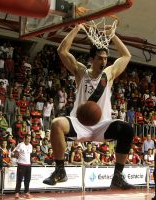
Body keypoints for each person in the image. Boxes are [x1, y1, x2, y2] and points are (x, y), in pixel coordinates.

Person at [42, 23, 134, 190]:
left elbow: (126, 56)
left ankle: (118, 176)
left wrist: (112, 35)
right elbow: (62, 51)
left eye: (105, 58)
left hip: (102, 125)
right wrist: (76, 28)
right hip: (80, 122)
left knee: (127, 129)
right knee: (56, 124)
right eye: (100, 58)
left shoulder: (109, 74)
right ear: (91, 59)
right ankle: (60, 170)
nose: (104, 61)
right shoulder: (81, 71)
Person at [13, 134, 33, 199]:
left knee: (27, 179)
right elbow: (15, 152)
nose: (29, 140)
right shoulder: (20, 145)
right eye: (28, 139)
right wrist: (17, 157)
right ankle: (17, 193)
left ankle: (26, 193)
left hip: (28, 165)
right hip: (21, 164)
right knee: (19, 179)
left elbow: (29, 154)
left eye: (30, 139)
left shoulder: (30, 146)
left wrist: (31, 160)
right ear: (25, 138)